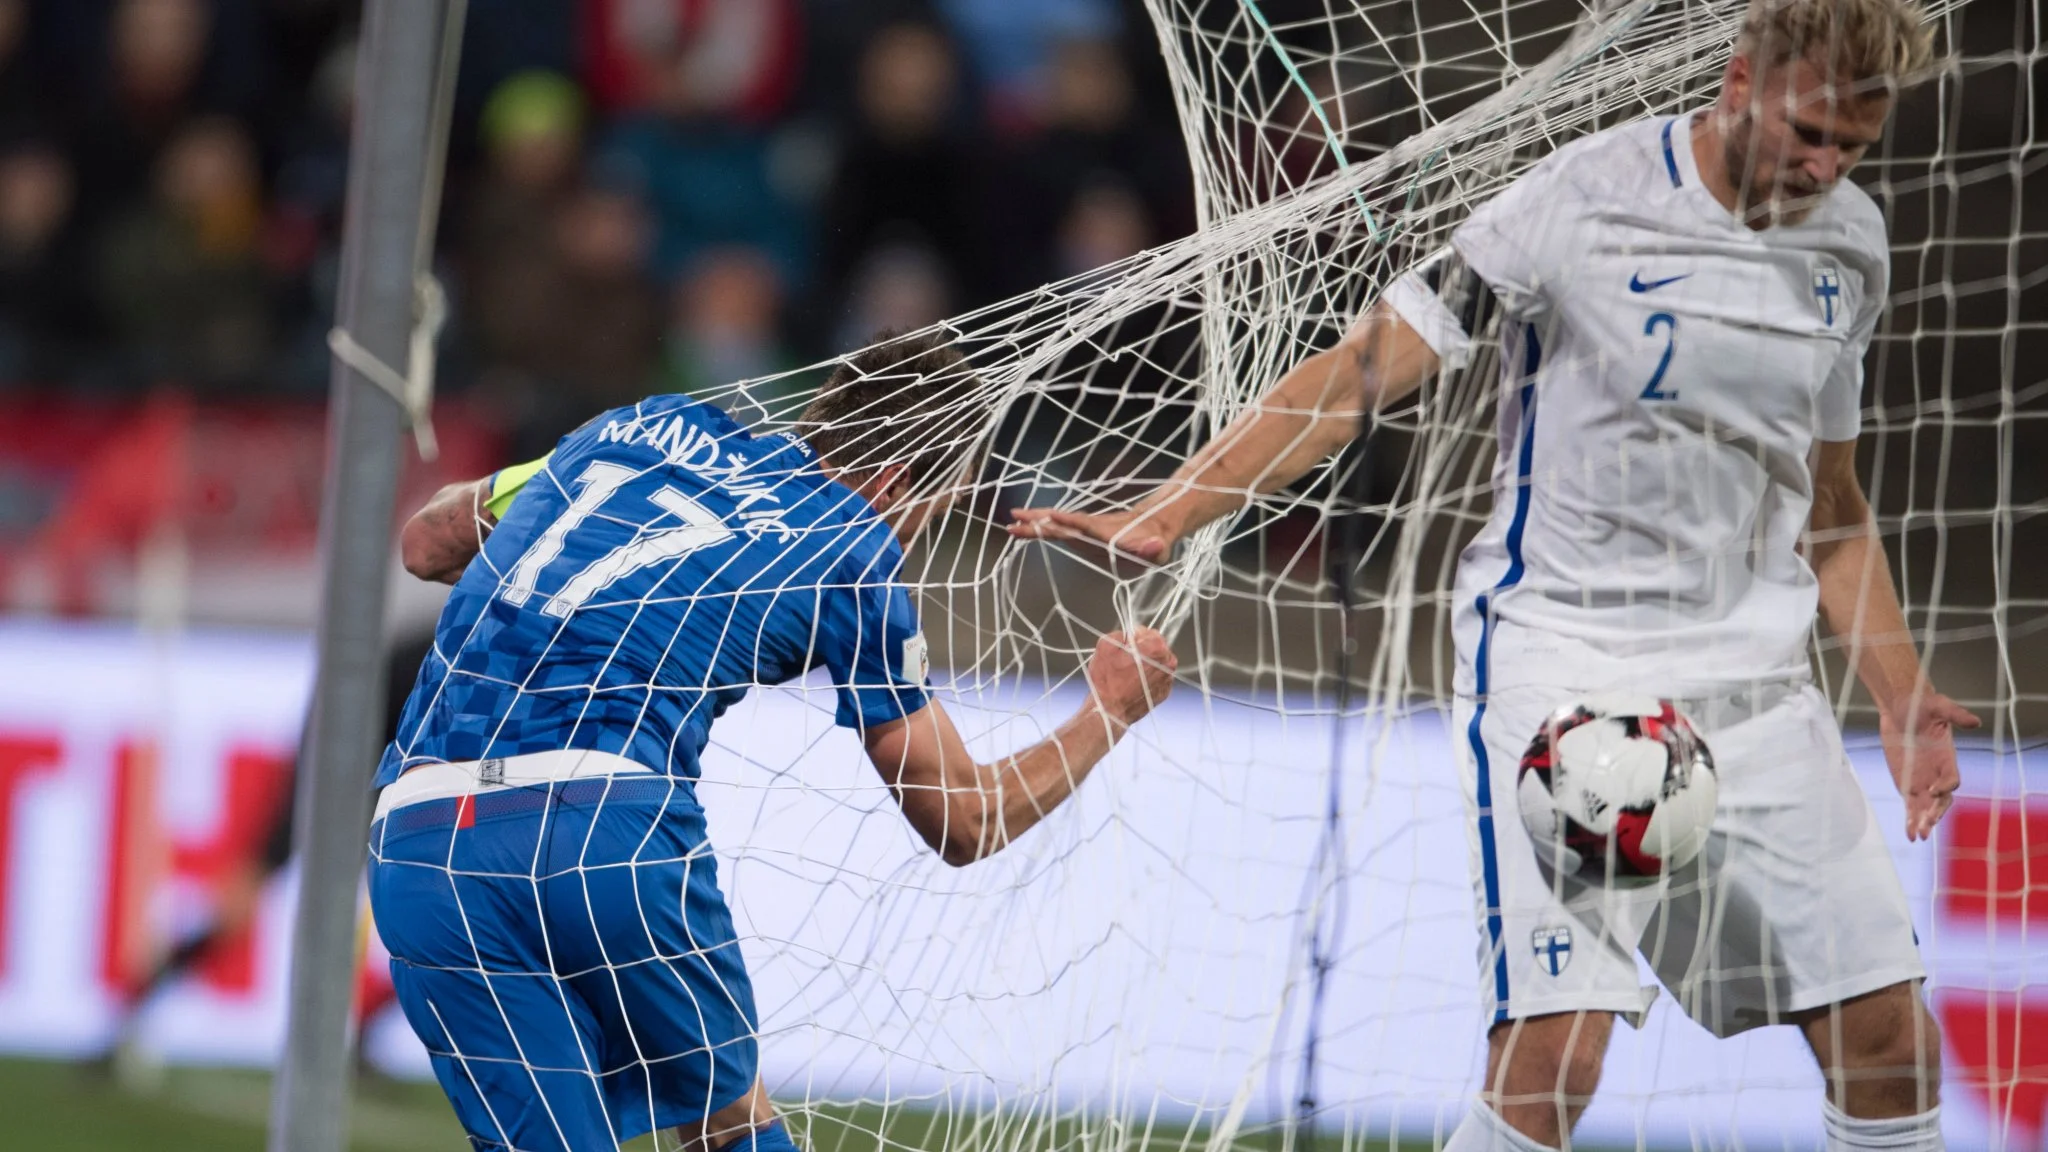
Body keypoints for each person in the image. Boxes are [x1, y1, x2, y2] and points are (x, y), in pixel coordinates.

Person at [1010, 1, 1969, 1149]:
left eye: (1849, 148)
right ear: (1738, 79)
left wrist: (1901, 696)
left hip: (1755, 685)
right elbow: (1361, 367)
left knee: (1888, 1042)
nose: (1822, 165)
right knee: (1553, 1061)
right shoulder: (1582, 198)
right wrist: (1170, 513)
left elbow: (1831, 509)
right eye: (1807, 130)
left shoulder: (1847, 246)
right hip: (1566, 670)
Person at [374, 329, 1177, 1152]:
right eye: (932, 508)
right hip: (598, 821)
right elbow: (963, 822)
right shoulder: (850, 545)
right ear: (897, 480)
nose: (920, 532)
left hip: (419, 842)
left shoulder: (633, 426)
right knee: (728, 1128)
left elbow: (427, 540)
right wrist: (1108, 712)